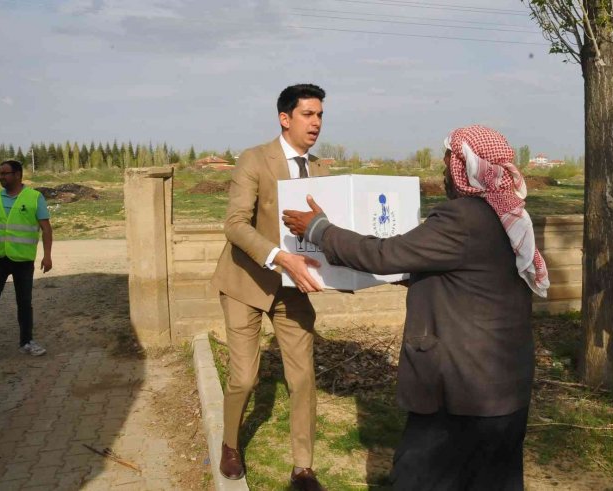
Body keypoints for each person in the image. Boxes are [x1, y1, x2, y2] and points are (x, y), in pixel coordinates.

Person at [283, 125, 550, 490]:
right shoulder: (506, 216)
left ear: (466, 167)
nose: (443, 172)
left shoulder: (464, 217)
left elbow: (383, 254)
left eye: (448, 163)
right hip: (504, 387)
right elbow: (464, 276)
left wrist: (319, 230)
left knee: (418, 477)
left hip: (461, 390)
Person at [210, 84, 328, 490]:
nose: (315, 123)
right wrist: (280, 257)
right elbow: (235, 224)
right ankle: (229, 443)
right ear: (285, 118)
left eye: (320, 115)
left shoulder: (322, 171)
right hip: (246, 281)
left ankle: (303, 467)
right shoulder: (255, 160)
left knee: (303, 378)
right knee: (244, 378)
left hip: (294, 289)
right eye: (308, 114)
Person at [0, 159, 53, 356]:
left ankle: (27, 342)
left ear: (18, 175)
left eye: (5, 173)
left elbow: (46, 228)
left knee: (24, 302)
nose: (1, 177)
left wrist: (47, 256)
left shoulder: (34, 197)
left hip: (22, 260)